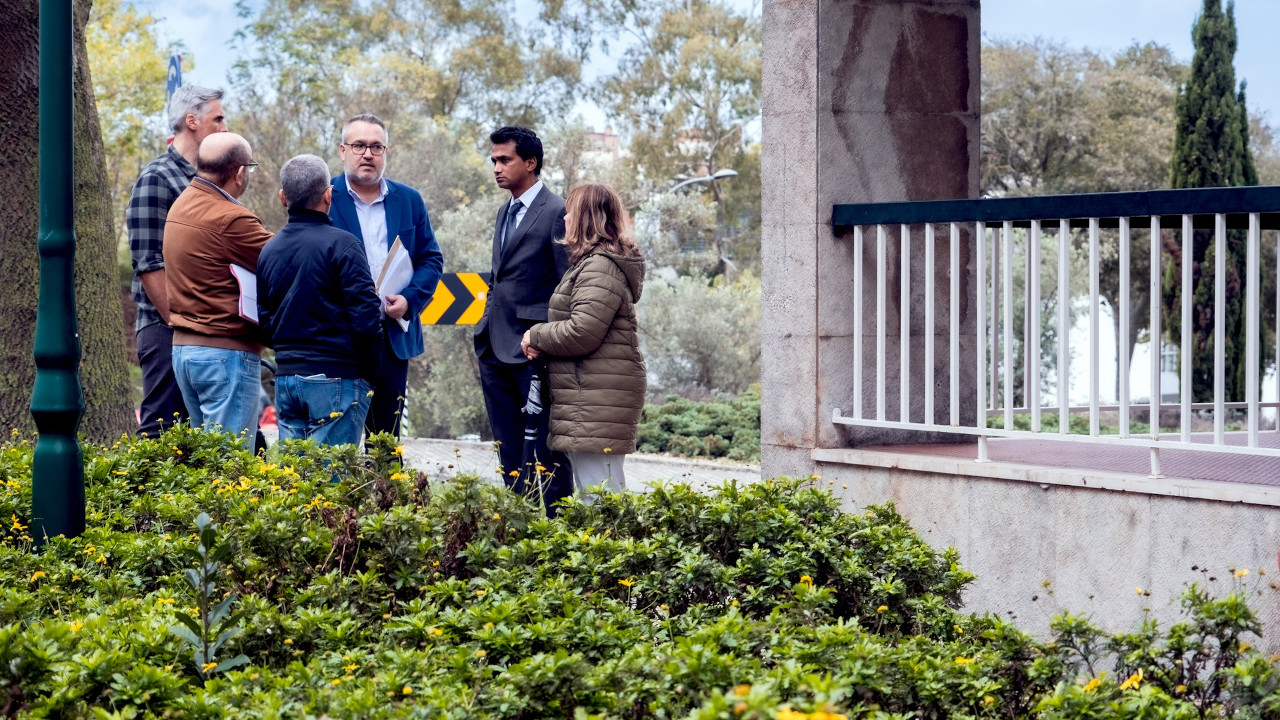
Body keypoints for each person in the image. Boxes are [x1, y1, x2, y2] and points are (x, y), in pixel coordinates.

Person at [521, 184, 646, 495]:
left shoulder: (599, 267)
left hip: (596, 399)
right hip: (590, 396)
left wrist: (536, 334)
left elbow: (583, 332)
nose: (563, 219)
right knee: (599, 496)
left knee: (600, 500)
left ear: (583, 219)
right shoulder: (593, 264)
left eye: (569, 213)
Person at [329, 114, 444, 439]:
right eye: (359, 145)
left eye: (376, 146)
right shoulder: (324, 198)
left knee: (386, 445)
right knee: (336, 445)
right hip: (340, 339)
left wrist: (409, 299)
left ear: (385, 151)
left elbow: (431, 259)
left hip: (392, 338)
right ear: (343, 150)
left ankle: (387, 493)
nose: (368, 154)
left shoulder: (409, 200)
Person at [475, 126, 573, 508]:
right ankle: (518, 528)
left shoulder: (556, 211)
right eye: (494, 160)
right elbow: (500, 279)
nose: (497, 168)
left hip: (533, 351)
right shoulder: (505, 210)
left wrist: (544, 337)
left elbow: (566, 285)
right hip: (493, 348)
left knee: (547, 452)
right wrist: (483, 328)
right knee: (509, 450)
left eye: (505, 160)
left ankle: (555, 533)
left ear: (530, 163)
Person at [257, 155, 383, 446]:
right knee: (333, 480)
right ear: (328, 195)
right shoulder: (343, 245)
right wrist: (370, 375)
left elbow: (263, 322)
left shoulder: (268, 250)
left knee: (297, 481)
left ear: (282, 198)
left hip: (287, 378)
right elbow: (367, 319)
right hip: (337, 376)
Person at [127, 85, 228, 437]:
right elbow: (148, 263)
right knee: (161, 428)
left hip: (201, 328)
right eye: (218, 118)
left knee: (203, 434)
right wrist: (179, 322)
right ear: (192, 122)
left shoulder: (208, 182)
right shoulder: (157, 179)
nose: (224, 127)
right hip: (164, 328)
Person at [163, 132, 273, 444]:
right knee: (230, 468)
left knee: (210, 463)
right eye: (249, 168)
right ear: (239, 172)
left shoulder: (180, 206)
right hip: (224, 354)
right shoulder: (231, 218)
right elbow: (285, 258)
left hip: (185, 351)